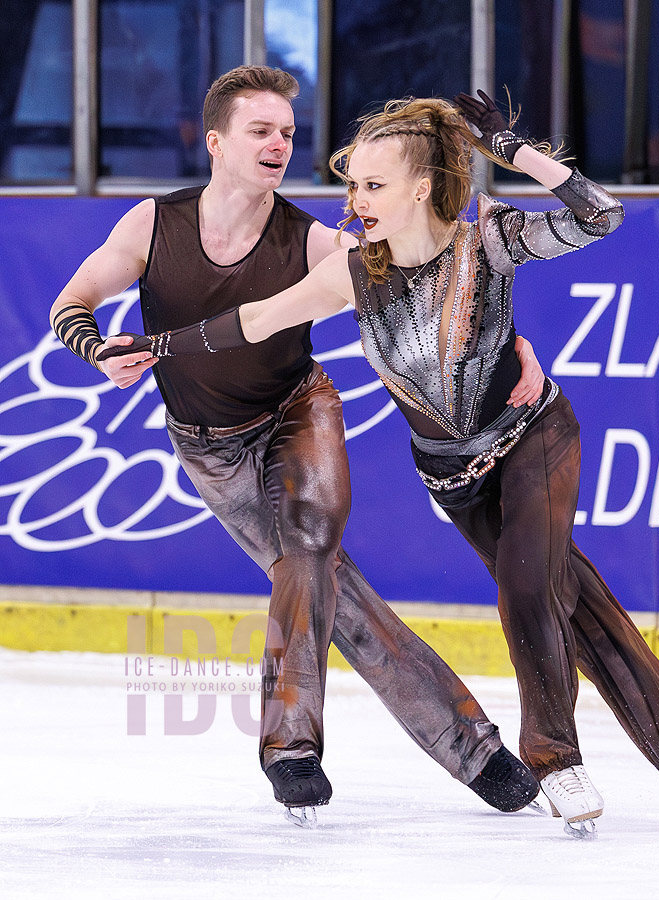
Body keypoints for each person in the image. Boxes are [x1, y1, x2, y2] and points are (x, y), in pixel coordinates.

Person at [103, 89, 659, 839]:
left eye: (374, 185)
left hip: (533, 437)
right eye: (353, 185)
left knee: (527, 586)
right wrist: (156, 347)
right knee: (581, 609)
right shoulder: (351, 272)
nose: (356, 200)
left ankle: (553, 757)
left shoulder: (489, 240)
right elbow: (251, 322)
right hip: (455, 480)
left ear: (421, 187)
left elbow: (600, 217)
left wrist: (513, 152)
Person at [50, 66, 551, 827]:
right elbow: (72, 302)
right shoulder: (153, 225)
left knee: (312, 545)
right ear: (216, 142)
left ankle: (290, 747)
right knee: (333, 593)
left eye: (287, 131)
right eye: (261, 130)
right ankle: (474, 749)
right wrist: (93, 349)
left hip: (298, 413)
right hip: (209, 451)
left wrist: (514, 346)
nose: (279, 143)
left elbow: (440, 282)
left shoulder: (318, 241)